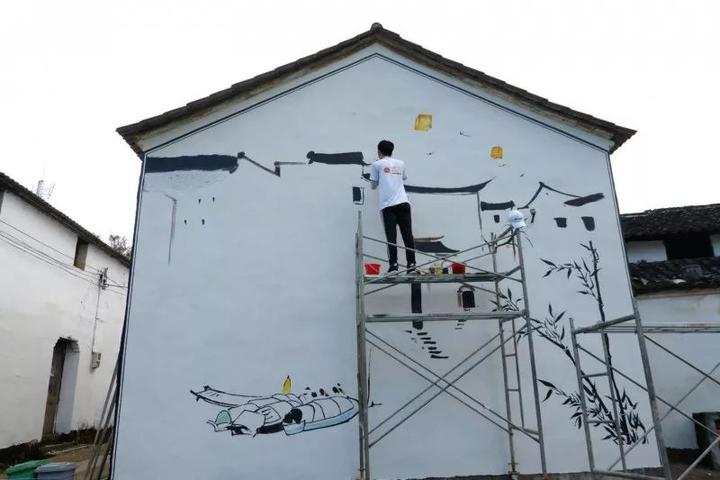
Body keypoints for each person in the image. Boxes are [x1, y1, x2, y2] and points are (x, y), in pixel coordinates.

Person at [369, 140, 416, 273]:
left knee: (391, 237)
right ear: (391, 151)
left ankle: (394, 265)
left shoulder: (377, 164)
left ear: (379, 152)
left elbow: (373, 186)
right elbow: (403, 178)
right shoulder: (401, 163)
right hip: (404, 203)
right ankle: (411, 265)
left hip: (387, 205)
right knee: (407, 235)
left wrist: (380, 177)